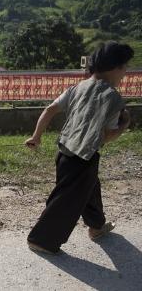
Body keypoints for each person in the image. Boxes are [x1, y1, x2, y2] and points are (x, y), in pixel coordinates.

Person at [24, 41, 134, 254]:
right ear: (115, 67)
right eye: (125, 67)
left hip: (64, 151)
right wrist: (124, 125)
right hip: (83, 158)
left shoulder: (77, 87)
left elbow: (49, 109)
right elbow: (107, 136)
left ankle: (96, 227)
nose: (125, 72)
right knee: (66, 200)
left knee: (90, 189)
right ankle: (41, 240)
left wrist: (36, 136)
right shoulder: (112, 98)